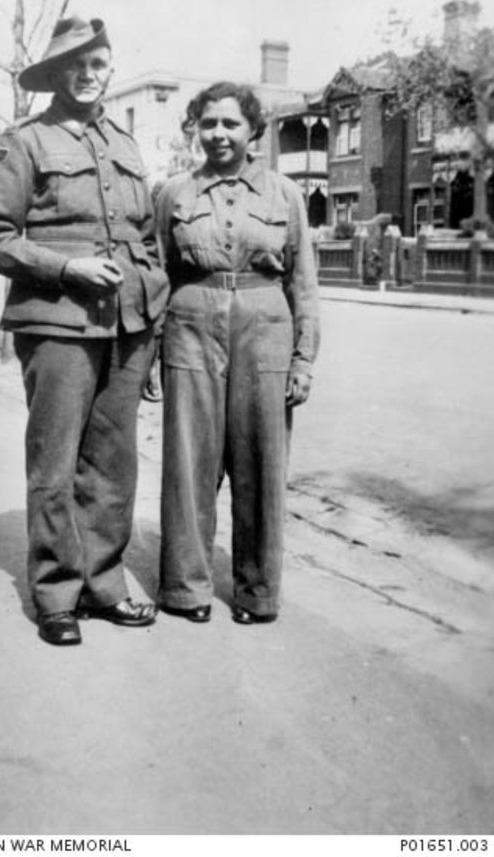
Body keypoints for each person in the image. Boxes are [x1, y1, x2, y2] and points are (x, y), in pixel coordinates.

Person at [0, 16, 169, 645]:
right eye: (75, 65)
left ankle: (104, 582)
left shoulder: (126, 144)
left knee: (113, 465)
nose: (87, 75)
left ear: (110, 68)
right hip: (57, 321)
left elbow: (145, 239)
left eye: (98, 63)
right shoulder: (25, 142)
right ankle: (56, 593)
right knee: (55, 461)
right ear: (56, 73)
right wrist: (65, 267)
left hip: (128, 325)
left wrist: (154, 329)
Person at [155, 81, 320, 625]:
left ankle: (256, 592)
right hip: (191, 326)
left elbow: (303, 283)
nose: (218, 134)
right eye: (208, 123)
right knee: (189, 462)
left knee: (260, 463)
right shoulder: (174, 193)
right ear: (195, 129)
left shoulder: (285, 194)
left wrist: (303, 358)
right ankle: (186, 589)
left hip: (264, 327)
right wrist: (154, 349)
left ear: (254, 131)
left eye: (230, 124)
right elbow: (159, 274)